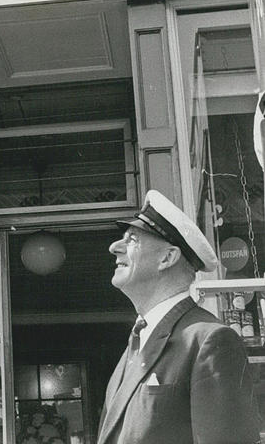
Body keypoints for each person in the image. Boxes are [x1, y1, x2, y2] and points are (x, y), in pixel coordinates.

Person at [98, 189, 261, 444]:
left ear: (168, 258)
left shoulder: (210, 340)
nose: (114, 247)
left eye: (131, 239)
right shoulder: (137, 344)